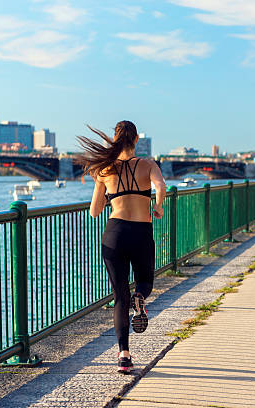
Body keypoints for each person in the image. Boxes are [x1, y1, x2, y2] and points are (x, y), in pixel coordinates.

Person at [76, 120, 166, 373]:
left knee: (119, 297)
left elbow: (94, 212)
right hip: (141, 232)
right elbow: (160, 186)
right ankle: (140, 298)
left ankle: (124, 356)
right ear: (136, 140)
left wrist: (110, 196)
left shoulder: (105, 169)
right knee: (145, 282)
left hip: (114, 234)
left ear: (115, 141)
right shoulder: (148, 165)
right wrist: (158, 206)